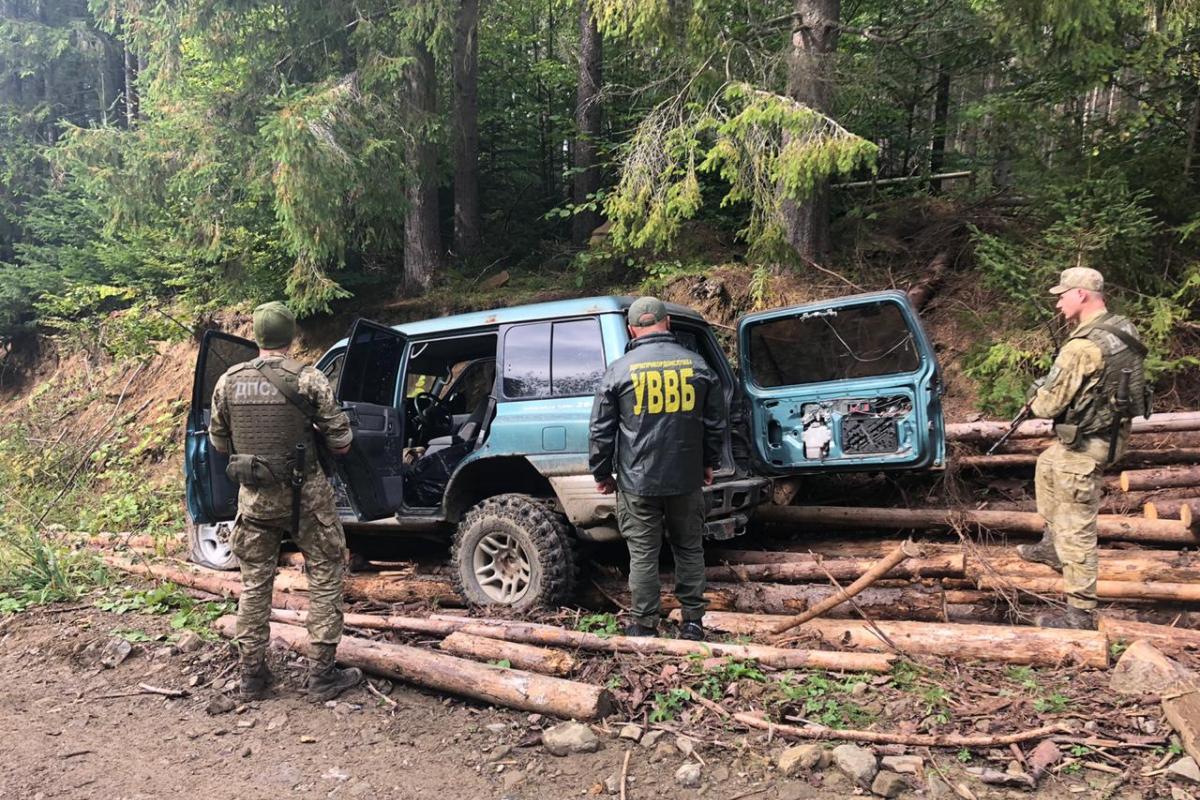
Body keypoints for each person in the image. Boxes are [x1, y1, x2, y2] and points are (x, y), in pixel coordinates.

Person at [209, 301, 363, 701]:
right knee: (325, 575)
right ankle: (322, 676)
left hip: (255, 500)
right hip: (307, 499)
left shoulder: (227, 382)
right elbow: (342, 444)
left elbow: (219, 444)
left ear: (256, 336)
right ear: (291, 335)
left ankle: (252, 677)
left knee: (254, 585)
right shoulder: (308, 379)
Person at [589, 296, 727, 641]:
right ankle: (692, 622)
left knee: (643, 554)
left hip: (637, 482)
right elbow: (715, 423)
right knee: (689, 548)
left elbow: (601, 430)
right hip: (686, 478)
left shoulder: (619, 370)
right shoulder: (697, 365)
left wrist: (602, 473)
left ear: (631, 330)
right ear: (668, 323)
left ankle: (643, 624)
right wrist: (709, 463)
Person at [1017, 268, 1148, 630]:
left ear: (1082, 295)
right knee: (1047, 462)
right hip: (1109, 434)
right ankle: (1051, 546)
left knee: (1077, 528)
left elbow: (1048, 406)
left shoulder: (1081, 347)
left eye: (1063, 295)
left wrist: (1035, 394)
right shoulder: (1121, 328)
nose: (1058, 303)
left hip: (1088, 445)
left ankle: (1080, 614)